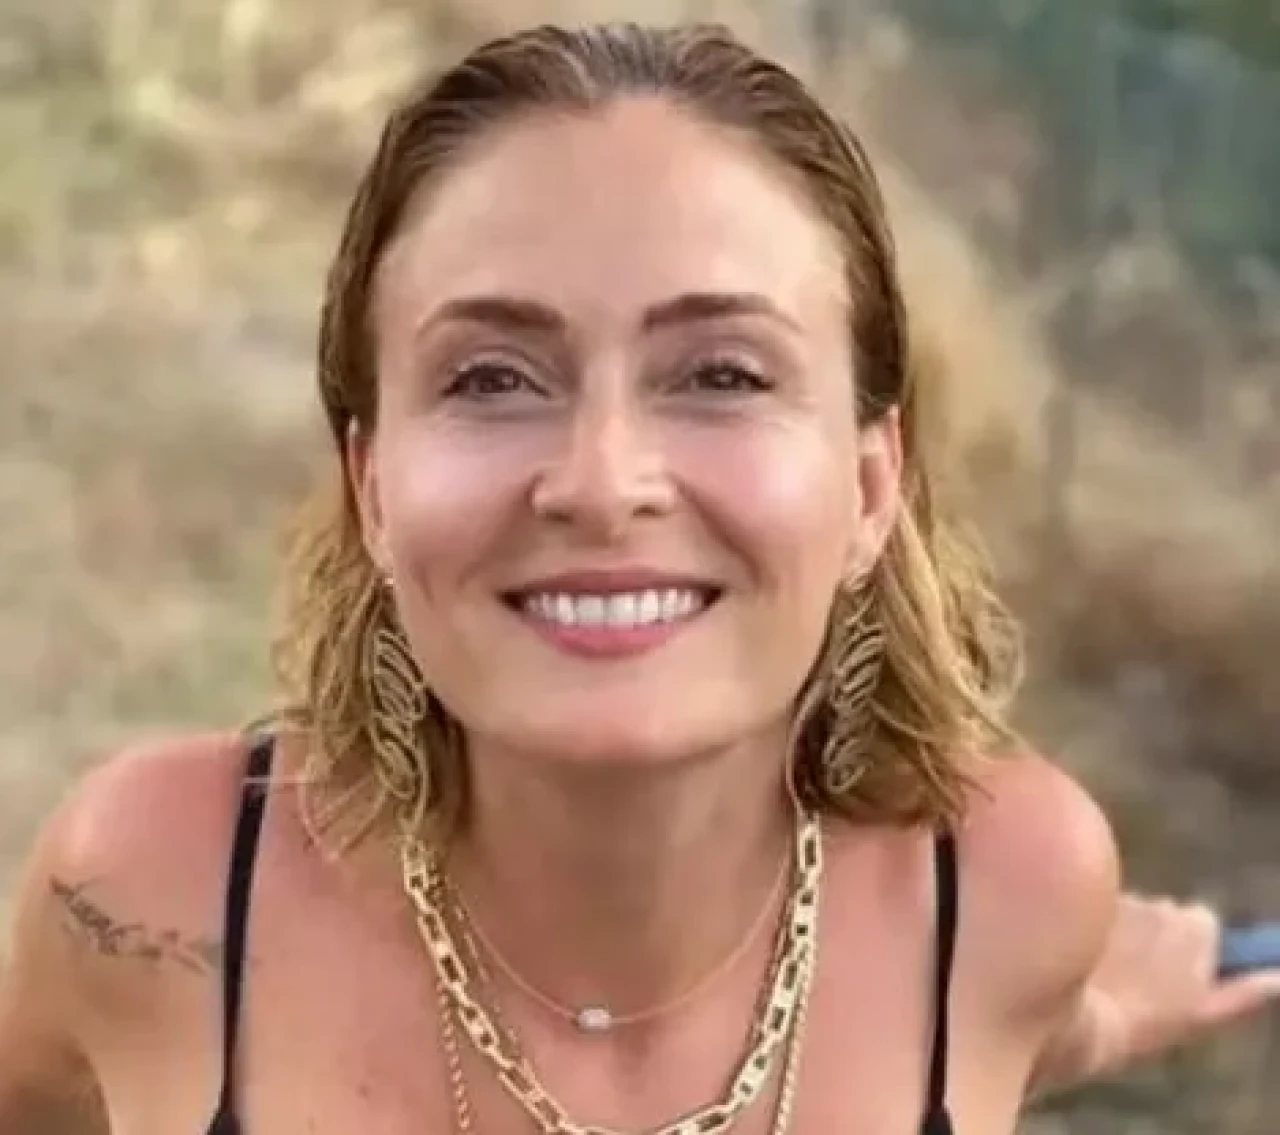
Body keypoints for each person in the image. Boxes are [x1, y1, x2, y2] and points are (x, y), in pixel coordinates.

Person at [0, 21, 1276, 1135]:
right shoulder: (154, 899)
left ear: (868, 487)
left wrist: (1097, 1013)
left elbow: (1026, 1012)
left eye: (720, 374)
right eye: (491, 378)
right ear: (373, 486)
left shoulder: (1003, 893)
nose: (603, 483)